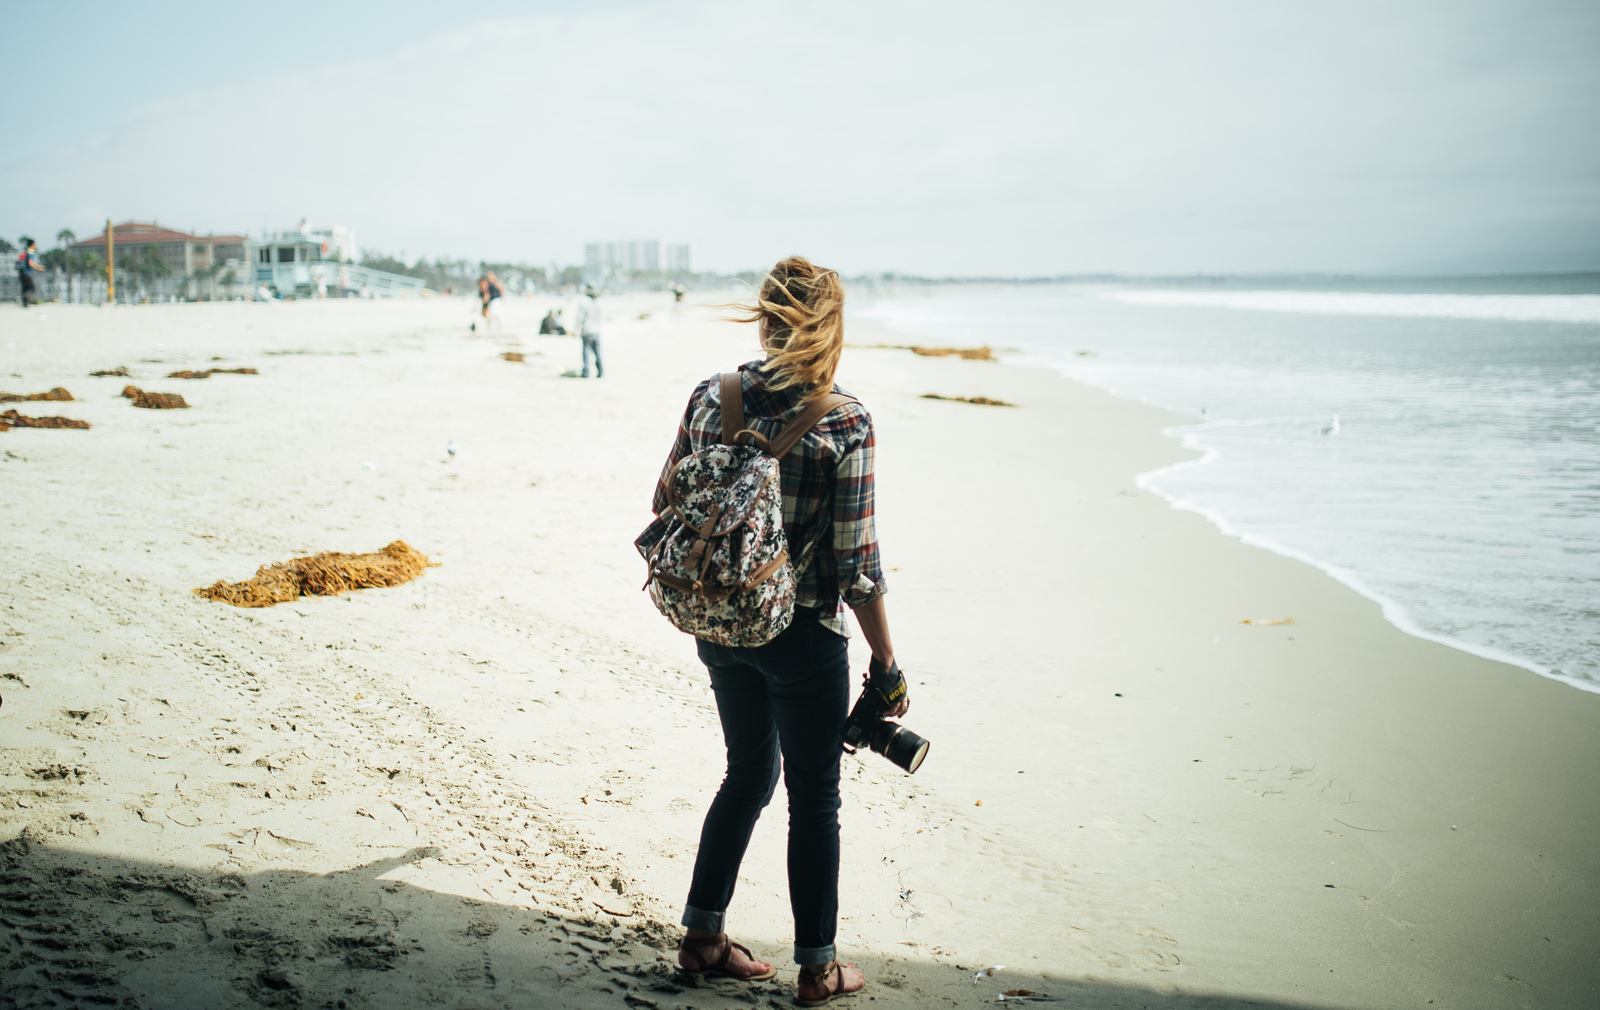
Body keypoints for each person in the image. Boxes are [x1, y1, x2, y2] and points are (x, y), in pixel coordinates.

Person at [644, 256, 907, 1006]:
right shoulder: (845, 419)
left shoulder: (710, 398)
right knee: (813, 797)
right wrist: (886, 660)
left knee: (746, 775)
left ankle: (701, 939)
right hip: (802, 638)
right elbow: (859, 566)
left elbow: (667, 497)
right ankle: (819, 969)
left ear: (764, 317)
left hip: (719, 621)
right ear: (831, 327)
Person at [576, 284, 603, 378]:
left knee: (586, 352)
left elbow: (580, 318)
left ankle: (586, 372)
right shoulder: (599, 302)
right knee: (597, 352)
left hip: (587, 330)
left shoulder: (583, 302)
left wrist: (576, 330)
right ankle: (600, 370)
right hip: (596, 330)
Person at [15, 238, 42, 307]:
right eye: (34, 244)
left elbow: (20, 261)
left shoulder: (24, 252)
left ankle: (24, 303)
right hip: (26, 273)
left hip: (21, 273)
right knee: (31, 288)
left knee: (25, 288)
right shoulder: (30, 251)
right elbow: (30, 262)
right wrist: (37, 268)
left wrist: (38, 266)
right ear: (32, 245)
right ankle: (24, 298)